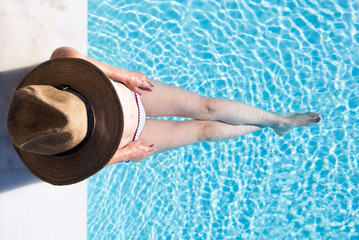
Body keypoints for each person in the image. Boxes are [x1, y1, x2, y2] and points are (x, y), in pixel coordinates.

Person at [7, 46, 321, 185]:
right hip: (127, 138)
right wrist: (127, 153)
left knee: (207, 106)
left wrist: (123, 74)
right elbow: (87, 167)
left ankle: (277, 120)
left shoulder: (56, 88)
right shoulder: (57, 143)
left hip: (130, 95)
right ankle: (267, 127)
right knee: (206, 131)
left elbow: (65, 53)